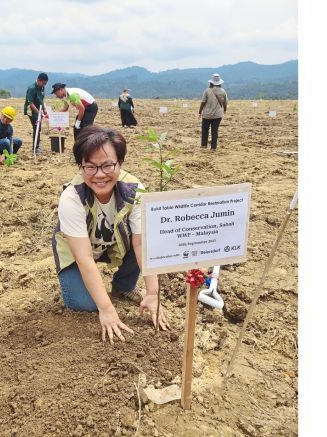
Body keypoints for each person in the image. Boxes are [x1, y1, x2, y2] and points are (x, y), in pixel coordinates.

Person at [52, 126, 169, 343]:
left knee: (141, 238)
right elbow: (84, 257)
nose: (100, 175)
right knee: (85, 305)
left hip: (115, 242)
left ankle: (123, 286)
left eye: (107, 165)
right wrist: (106, 308)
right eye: (91, 167)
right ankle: (92, 293)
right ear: (81, 166)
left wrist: (153, 293)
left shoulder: (134, 190)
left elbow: (142, 243)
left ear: (119, 163)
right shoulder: (71, 197)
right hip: (78, 249)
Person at [198, 73, 228, 151]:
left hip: (207, 114)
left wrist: (199, 112)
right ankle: (213, 147)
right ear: (220, 83)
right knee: (214, 131)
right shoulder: (223, 91)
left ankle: (204, 145)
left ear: (211, 82)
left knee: (205, 129)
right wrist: (224, 110)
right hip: (217, 115)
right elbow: (225, 103)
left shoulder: (207, 90)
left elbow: (203, 102)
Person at [24, 72, 49, 153]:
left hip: (38, 109)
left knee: (38, 128)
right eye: (43, 83)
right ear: (38, 80)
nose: (44, 85)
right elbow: (30, 103)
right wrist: (39, 113)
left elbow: (41, 100)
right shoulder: (32, 88)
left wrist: (44, 109)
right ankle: (35, 148)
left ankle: (37, 146)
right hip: (31, 111)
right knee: (37, 127)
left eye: (45, 83)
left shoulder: (42, 88)